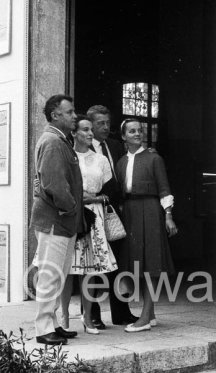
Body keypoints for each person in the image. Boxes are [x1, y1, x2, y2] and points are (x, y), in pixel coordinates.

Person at [30, 94, 84, 345]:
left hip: (60, 221)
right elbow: (54, 185)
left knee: (57, 275)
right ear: (55, 115)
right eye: (70, 112)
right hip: (56, 221)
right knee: (51, 275)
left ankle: (52, 323)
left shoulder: (59, 140)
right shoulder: (53, 142)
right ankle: (43, 329)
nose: (75, 116)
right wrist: (72, 207)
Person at [116, 118, 178, 332]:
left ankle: (144, 316)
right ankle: (150, 314)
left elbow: (164, 188)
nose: (137, 134)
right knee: (137, 265)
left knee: (151, 264)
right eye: (132, 131)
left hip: (151, 211)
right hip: (130, 213)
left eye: (139, 130)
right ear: (124, 136)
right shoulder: (121, 162)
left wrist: (168, 215)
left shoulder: (154, 158)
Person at [60, 115, 119, 335]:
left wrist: (93, 198)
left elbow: (110, 192)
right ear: (74, 133)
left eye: (91, 130)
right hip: (71, 213)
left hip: (93, 217)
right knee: (67, 269)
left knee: (89, 270)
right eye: (85, 130)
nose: (90, 133)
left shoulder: (101, 160)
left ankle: (88, 318)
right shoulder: (66, 155)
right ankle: (64, 317)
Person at [86, 105, 138, 328]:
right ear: (90, 125)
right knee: (94, 263)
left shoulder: (116, 146)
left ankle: (121, 312)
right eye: (100, 123)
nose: (105, 127)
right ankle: (93, 314)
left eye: (107, 123)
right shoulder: (81, 147)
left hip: (114, 212)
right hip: (91, 211)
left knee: (119, 263)